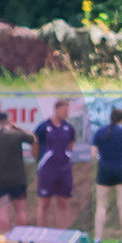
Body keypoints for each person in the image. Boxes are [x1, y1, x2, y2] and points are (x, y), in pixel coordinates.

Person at [0, 111, 34, 233]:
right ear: (9, 120)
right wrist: (17, 127)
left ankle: (5, 237)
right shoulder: (16, 135)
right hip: (17, 178)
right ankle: (20, 238)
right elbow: (32, 138)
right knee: (20, 210)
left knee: (3, 208)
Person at [92, 106, 122, 243]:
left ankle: (98, 237)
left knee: (101, 205)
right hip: (121, 168)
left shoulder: (100, 132)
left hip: (105, 169)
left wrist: (100, 161)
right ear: (121, 119)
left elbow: (93, 154)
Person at [34, 97, 77, 229]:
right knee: (44, 202)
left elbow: (70, 147)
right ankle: (41, 234)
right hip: (47, 170)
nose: (66, 113)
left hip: (64, 170)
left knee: (63, 203)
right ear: (57, 109)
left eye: (68, 110)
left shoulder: (69, 128)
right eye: (65, 110)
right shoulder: (43, 127)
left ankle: (62, 235)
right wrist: (41, 161)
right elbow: (35, 146)